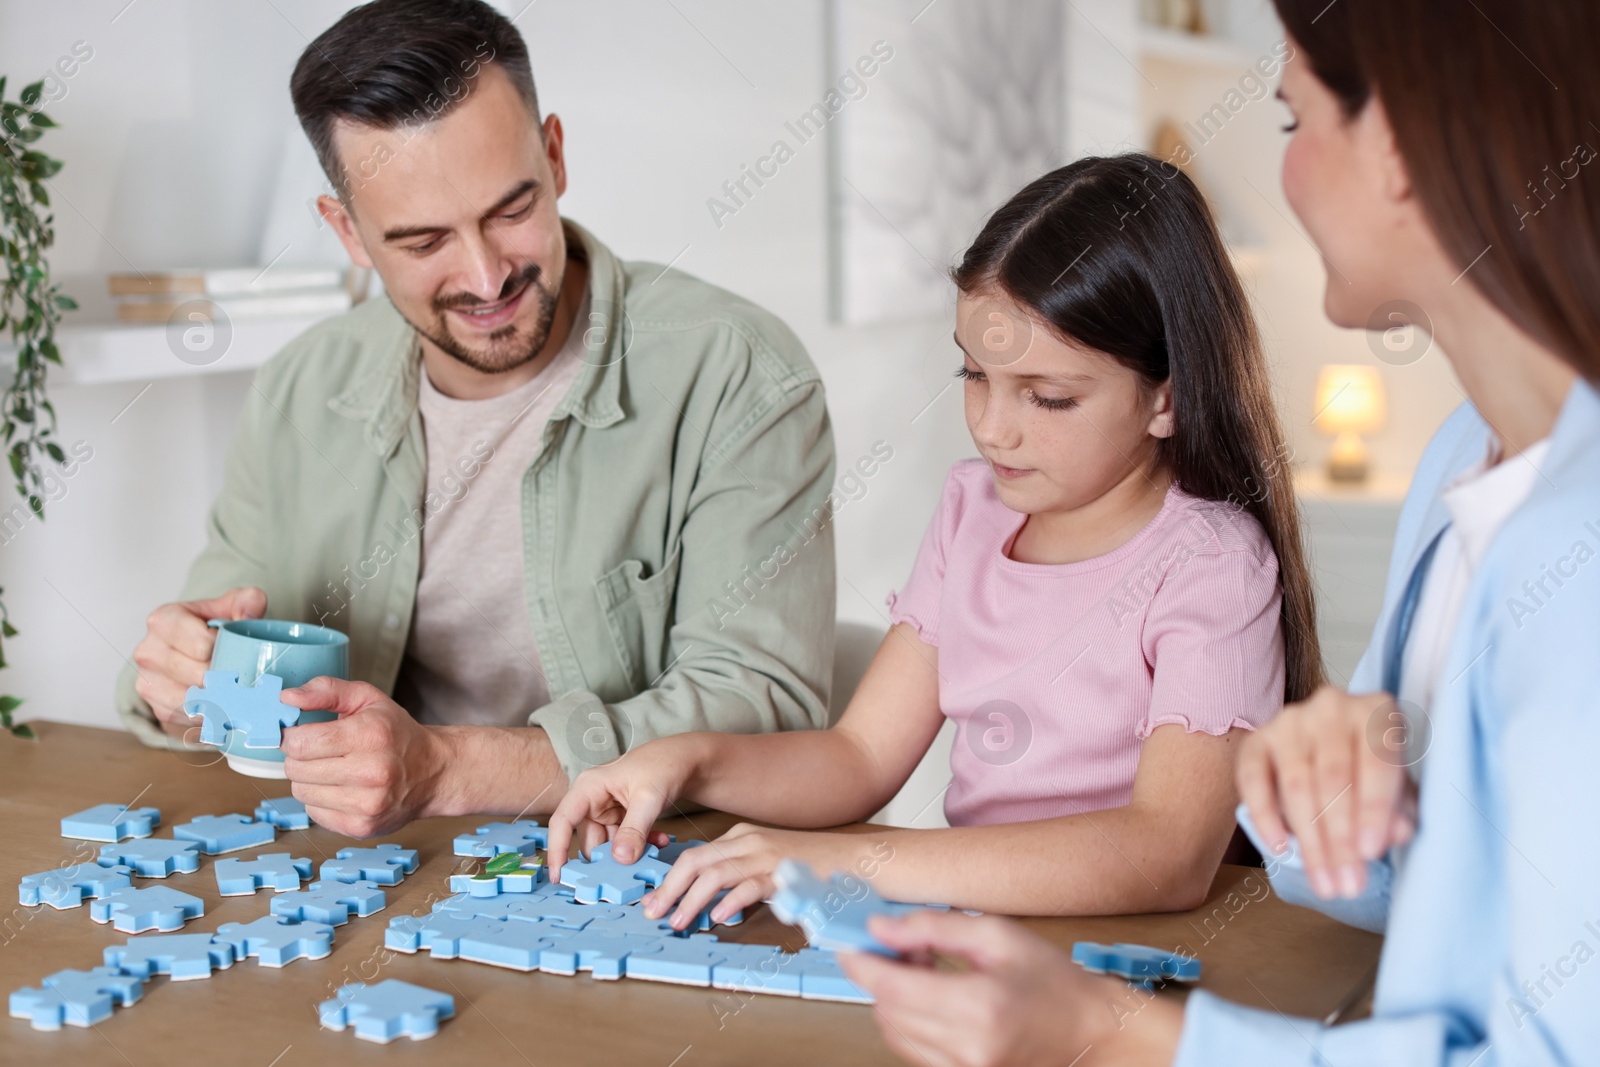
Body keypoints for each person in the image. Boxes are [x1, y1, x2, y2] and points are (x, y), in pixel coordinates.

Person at [836, 1, 1600, 1064]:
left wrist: (1109, 1034)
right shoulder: (1463, 458)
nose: (1282, 177)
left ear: (1394, 146)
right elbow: (1420, 892)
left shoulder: (1577, 550)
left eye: (1291, 124)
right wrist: (1327, 783)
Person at [115, 0, 838, 838]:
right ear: (347, 233)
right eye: (423, 243)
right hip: (382, 866)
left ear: (556, 156)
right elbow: (203, 655)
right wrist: (180, 683)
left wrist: (448, 768)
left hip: (658, 864)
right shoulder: (300, 388)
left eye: (510, 211)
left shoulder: (736, 371)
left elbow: (765, 706)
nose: (487, 276)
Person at [545, 153, 1321, 927]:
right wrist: (687, 758)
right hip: (985, 945)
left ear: (1166, 399)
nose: (991, 427)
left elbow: (1166, 852)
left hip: (1135, 967)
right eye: (974, 375)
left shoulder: (1212, 565)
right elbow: (859, 757)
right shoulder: (973, 511)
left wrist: (846, 859)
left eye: (1046, 397)